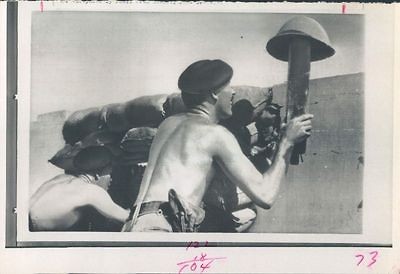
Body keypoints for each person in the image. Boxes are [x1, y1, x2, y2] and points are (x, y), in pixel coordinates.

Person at [123, 59, 313, 232]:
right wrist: (286, 142)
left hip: (134, 225)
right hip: (163, 229)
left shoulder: (167, 124)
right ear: (214, 93)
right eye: (227, 86)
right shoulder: (215, 134)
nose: (233, 92)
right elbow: (265, 195)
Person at [30, 146, 130, 231]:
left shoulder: (60, 178)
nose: (111, 180)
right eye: (110, 174)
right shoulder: (92, 192)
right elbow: (126, 218)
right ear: (97, 175)